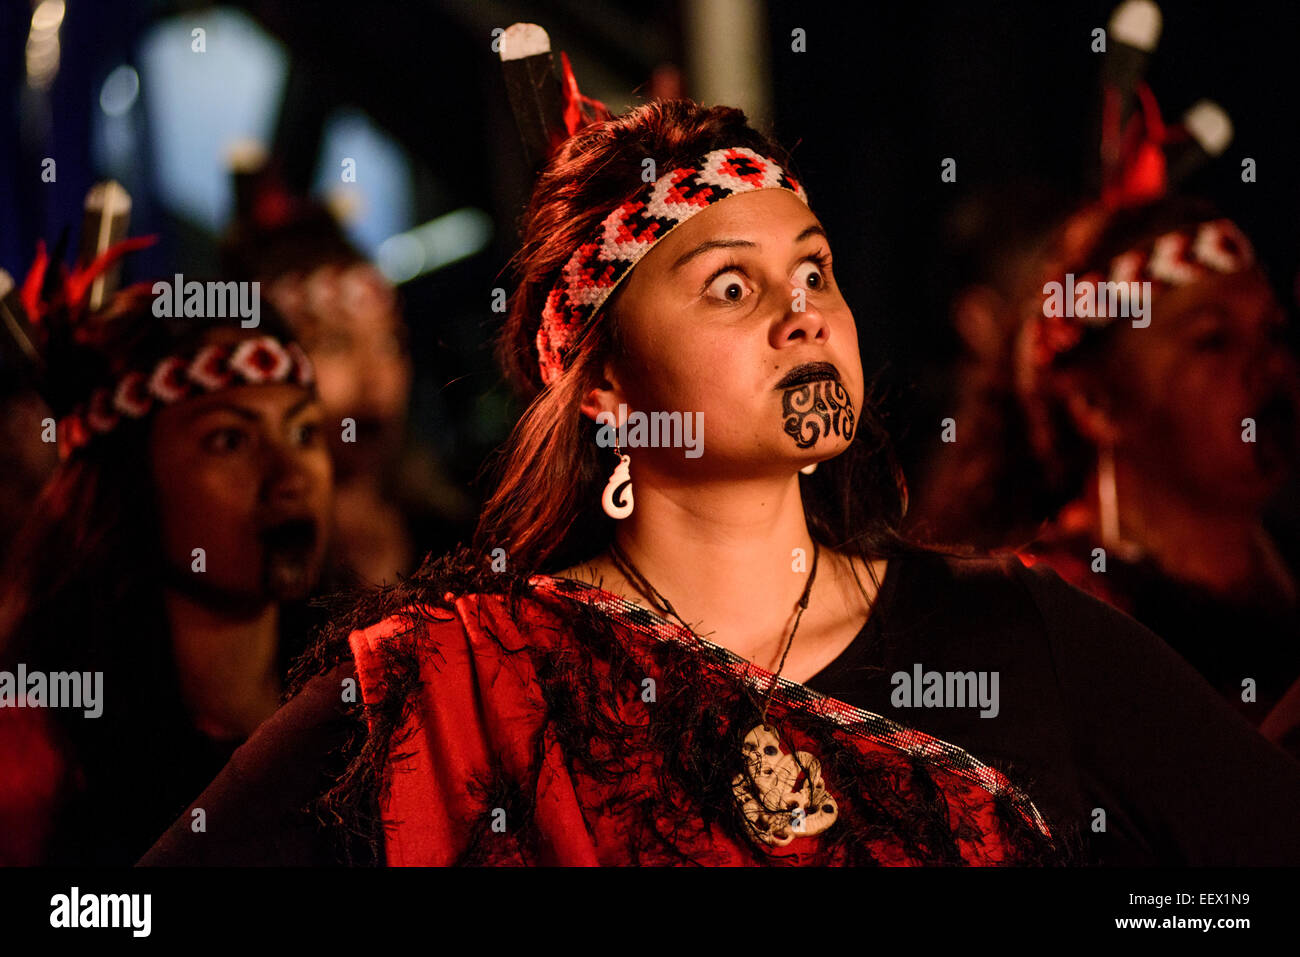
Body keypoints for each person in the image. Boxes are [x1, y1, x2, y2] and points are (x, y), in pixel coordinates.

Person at [143, 99, 1300, 868]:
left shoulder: (1018, 628)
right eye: (730, 289)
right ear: (599, 384)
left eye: (814, 270)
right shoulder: (463, 680)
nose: (803, 310)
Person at [0, 241, 333, 865]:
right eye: (229, 440)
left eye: (304, 431)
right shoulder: (34, 759)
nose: (291, 474)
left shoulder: (375, 696)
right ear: (128, 483)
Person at [1010, 196, 1300, 729]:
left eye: (1274, 333)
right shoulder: (1042, 622)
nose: (1271, 366)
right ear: (1097, 402)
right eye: (1212, 340)